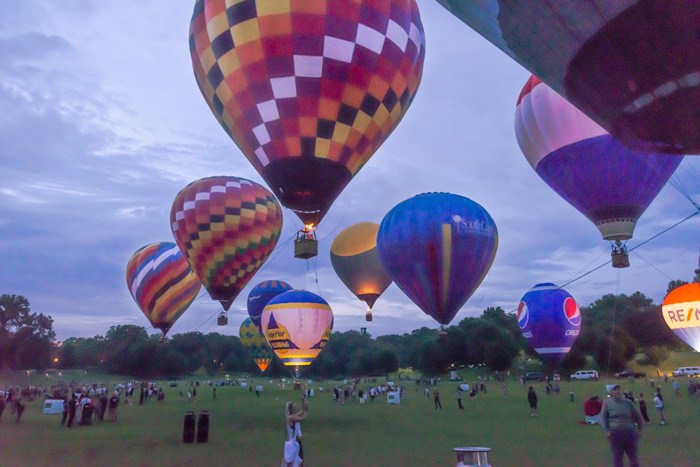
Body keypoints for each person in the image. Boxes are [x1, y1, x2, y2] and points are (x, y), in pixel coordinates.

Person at [602, 384, 644, 467]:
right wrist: (607, 430)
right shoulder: (607, 403)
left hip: (630, 433)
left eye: (618, 389)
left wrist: (639, 430)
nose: (617, 391)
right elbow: (603, 418)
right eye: (614, 390)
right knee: (617, 457)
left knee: (633, 457)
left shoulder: (628, 402)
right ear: (610, 392)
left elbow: (638, 417)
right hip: (616, 434)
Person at [283, 397, 308, 467]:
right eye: (294, 406)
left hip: (297, 442)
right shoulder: (291, 418)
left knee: (298, 461)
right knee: (296, 461)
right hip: (294, 442)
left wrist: (303, 401)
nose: (295, 407)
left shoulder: (293, 416)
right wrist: (307, 410)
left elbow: (303, 411)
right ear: (290, 408)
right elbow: (303, 418)